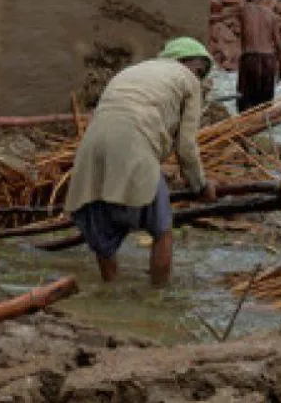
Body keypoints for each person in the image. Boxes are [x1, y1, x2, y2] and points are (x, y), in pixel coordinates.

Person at [64, 38, 218, 286]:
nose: (198, 79)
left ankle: (110, 293)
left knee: (104, 240)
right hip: (135, 145)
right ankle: (157, 298)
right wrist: (200, 186)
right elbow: (186, 147)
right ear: (188, 65)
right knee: (162, 231)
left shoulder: (133, 71)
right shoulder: (188, 80)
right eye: (199, 72)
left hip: (91, 149)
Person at [236, 0, 281, 112]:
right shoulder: (271, 15)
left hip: (250, 59)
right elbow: (280, 46)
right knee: (264, 109)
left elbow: (215, 17)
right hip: (269, 61)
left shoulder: (242, 9)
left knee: (245, 107)